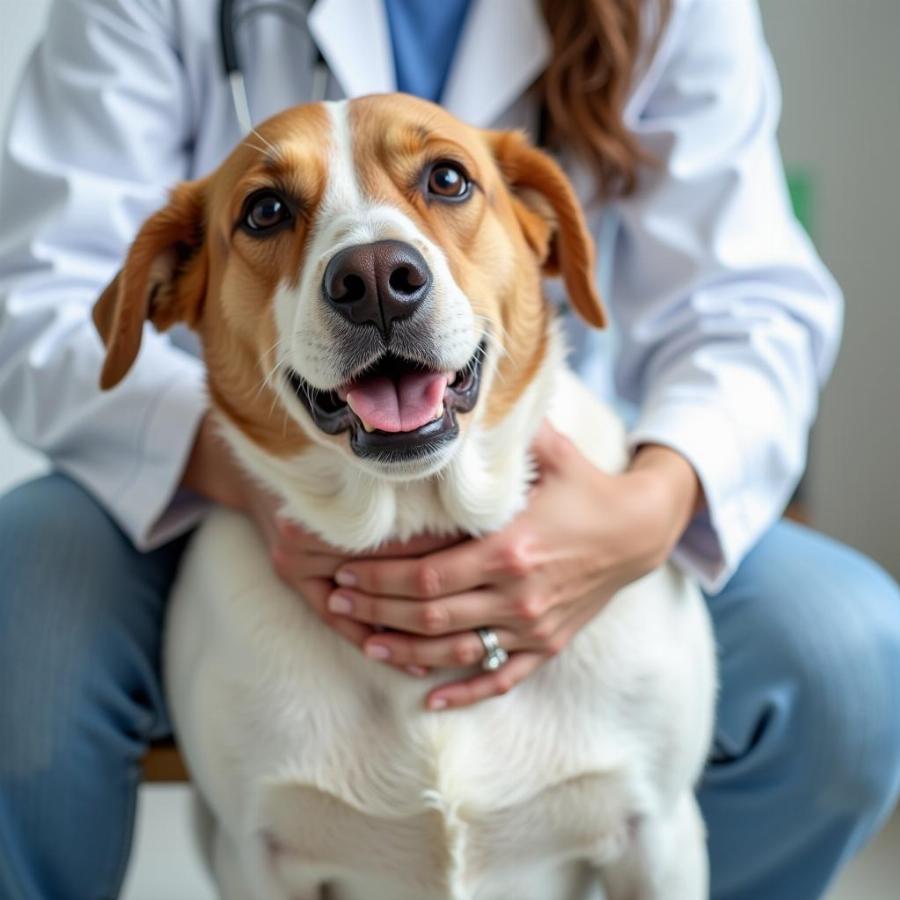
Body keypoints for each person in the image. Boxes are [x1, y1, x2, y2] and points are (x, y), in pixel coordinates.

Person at [1, 0, 898, 897]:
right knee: (23, 596)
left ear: (547, 228)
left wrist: (649, 509)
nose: (376, 269)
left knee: (850, 657)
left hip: (590, 486)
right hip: (232, 478)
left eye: (443, 183)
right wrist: (242, 477)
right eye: (271, 211)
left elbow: (746, 299)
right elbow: (45, 294)